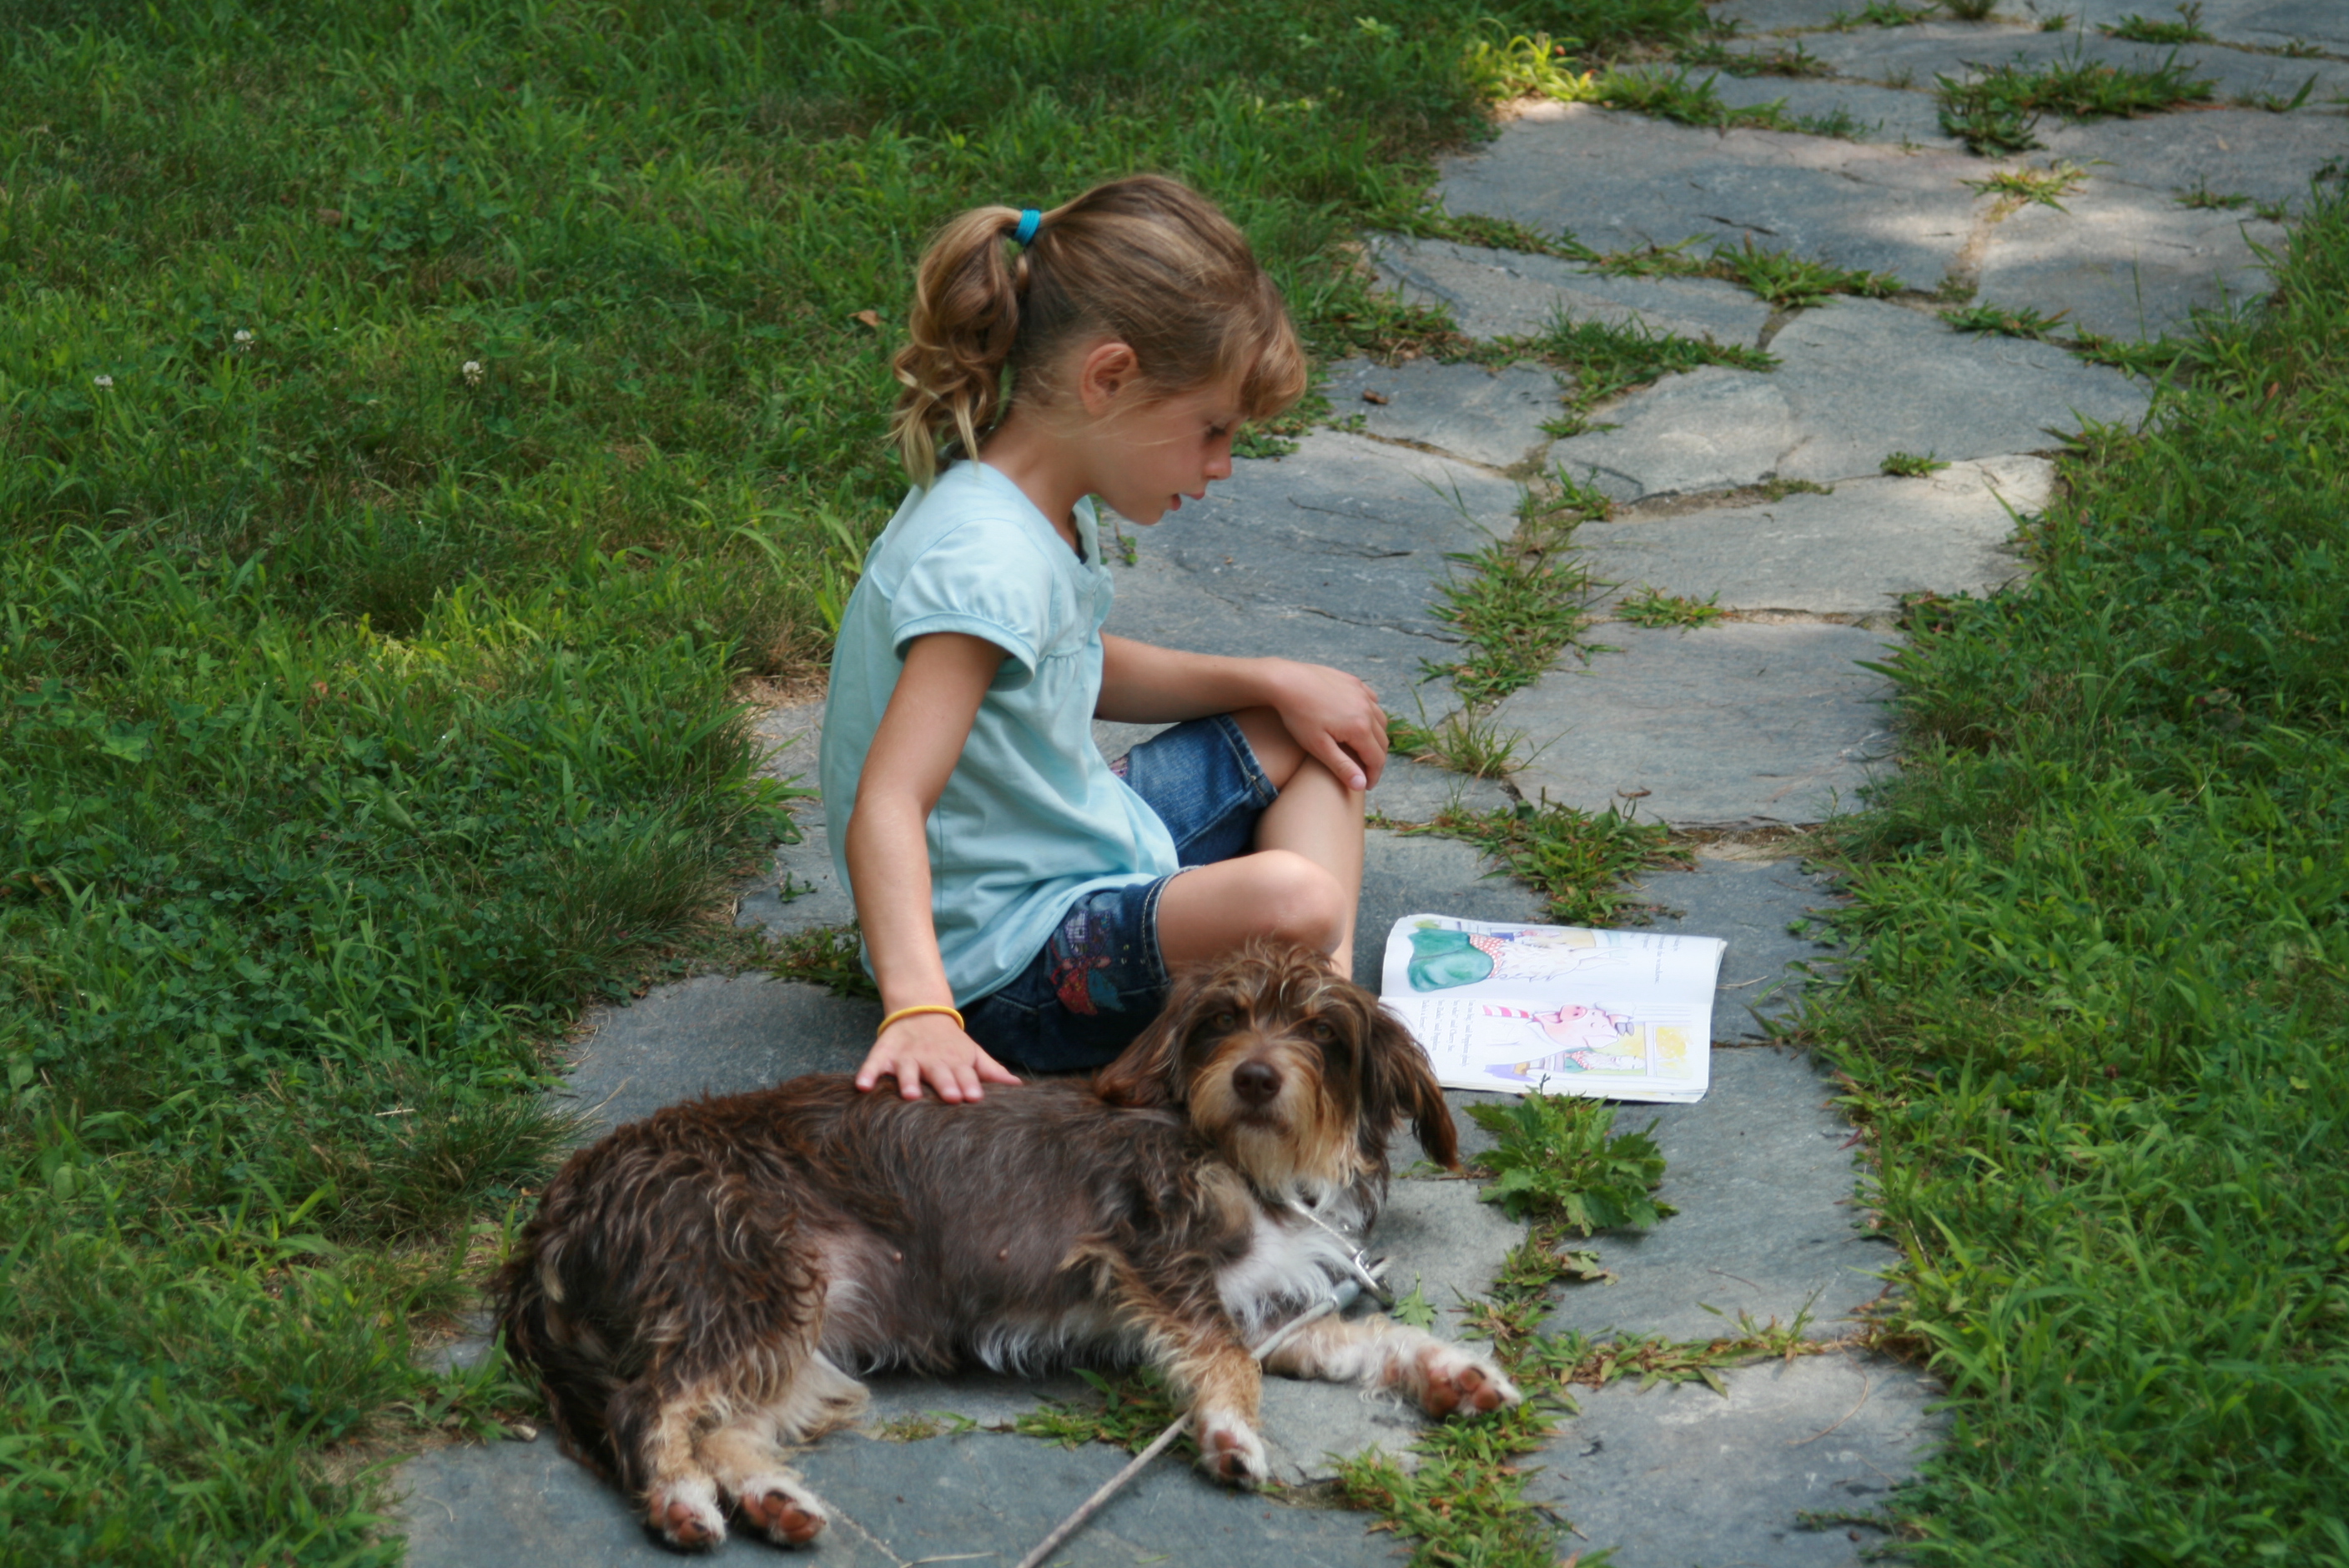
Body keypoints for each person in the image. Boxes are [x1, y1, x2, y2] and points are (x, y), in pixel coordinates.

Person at [817, 174, 1390, 1103]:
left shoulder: (1030, 499)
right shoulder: (988, 556)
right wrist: (919, 1004)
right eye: (1211, 428)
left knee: (1320, 734)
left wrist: (1270, 680)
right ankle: (1310, 1014)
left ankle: (1316, 1001)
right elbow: (888, 797)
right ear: (1109, 378)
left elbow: (1071, 666)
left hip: (1065, 843)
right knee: (1296, 897)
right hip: (1008, 966)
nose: (1221, 465)